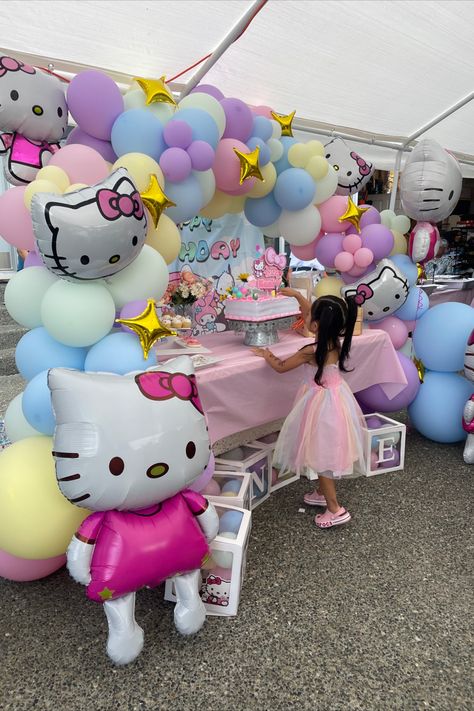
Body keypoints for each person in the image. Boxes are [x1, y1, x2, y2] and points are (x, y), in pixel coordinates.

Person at [251, 294, 365, 529]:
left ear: (316, 325)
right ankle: (322, 493)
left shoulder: (310, 350)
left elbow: (281, 367)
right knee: (326, 448)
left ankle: (335, 509)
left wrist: (266, 354)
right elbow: (309, 313)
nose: (305, 317)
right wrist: (296, 295)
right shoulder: (335, 342)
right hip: (335, 399)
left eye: (310, 316)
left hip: (320, 406)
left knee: (320, 454)